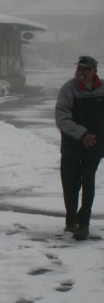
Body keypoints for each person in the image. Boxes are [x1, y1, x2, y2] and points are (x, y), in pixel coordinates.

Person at [55, 55, 104, 240]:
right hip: (72, 145)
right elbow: (62, 117)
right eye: (79, 69)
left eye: (86, 69)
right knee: (70, 184)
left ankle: (83, 224)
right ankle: (70, 220)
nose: (81, 73)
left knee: (88, 182)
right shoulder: (68, 89)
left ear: (94, 72)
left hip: (95, 145)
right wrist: (81, 134)